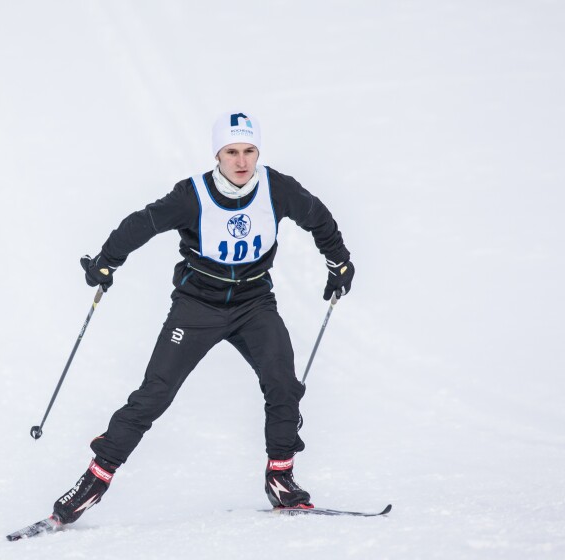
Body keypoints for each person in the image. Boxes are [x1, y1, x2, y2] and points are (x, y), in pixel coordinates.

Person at [52, 111, 354, 524]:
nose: (242, 161)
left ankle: (280, 477)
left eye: (249, 150)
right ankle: (93, 482)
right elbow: (142, 224)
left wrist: (339, 262)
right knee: (154, 394)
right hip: (198, 307)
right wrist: (107, 261)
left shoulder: (276, 188)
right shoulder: (192, 194)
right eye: (232, 151)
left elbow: (318, 217)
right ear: (218, 154)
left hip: (254, 304)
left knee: (283, 383)